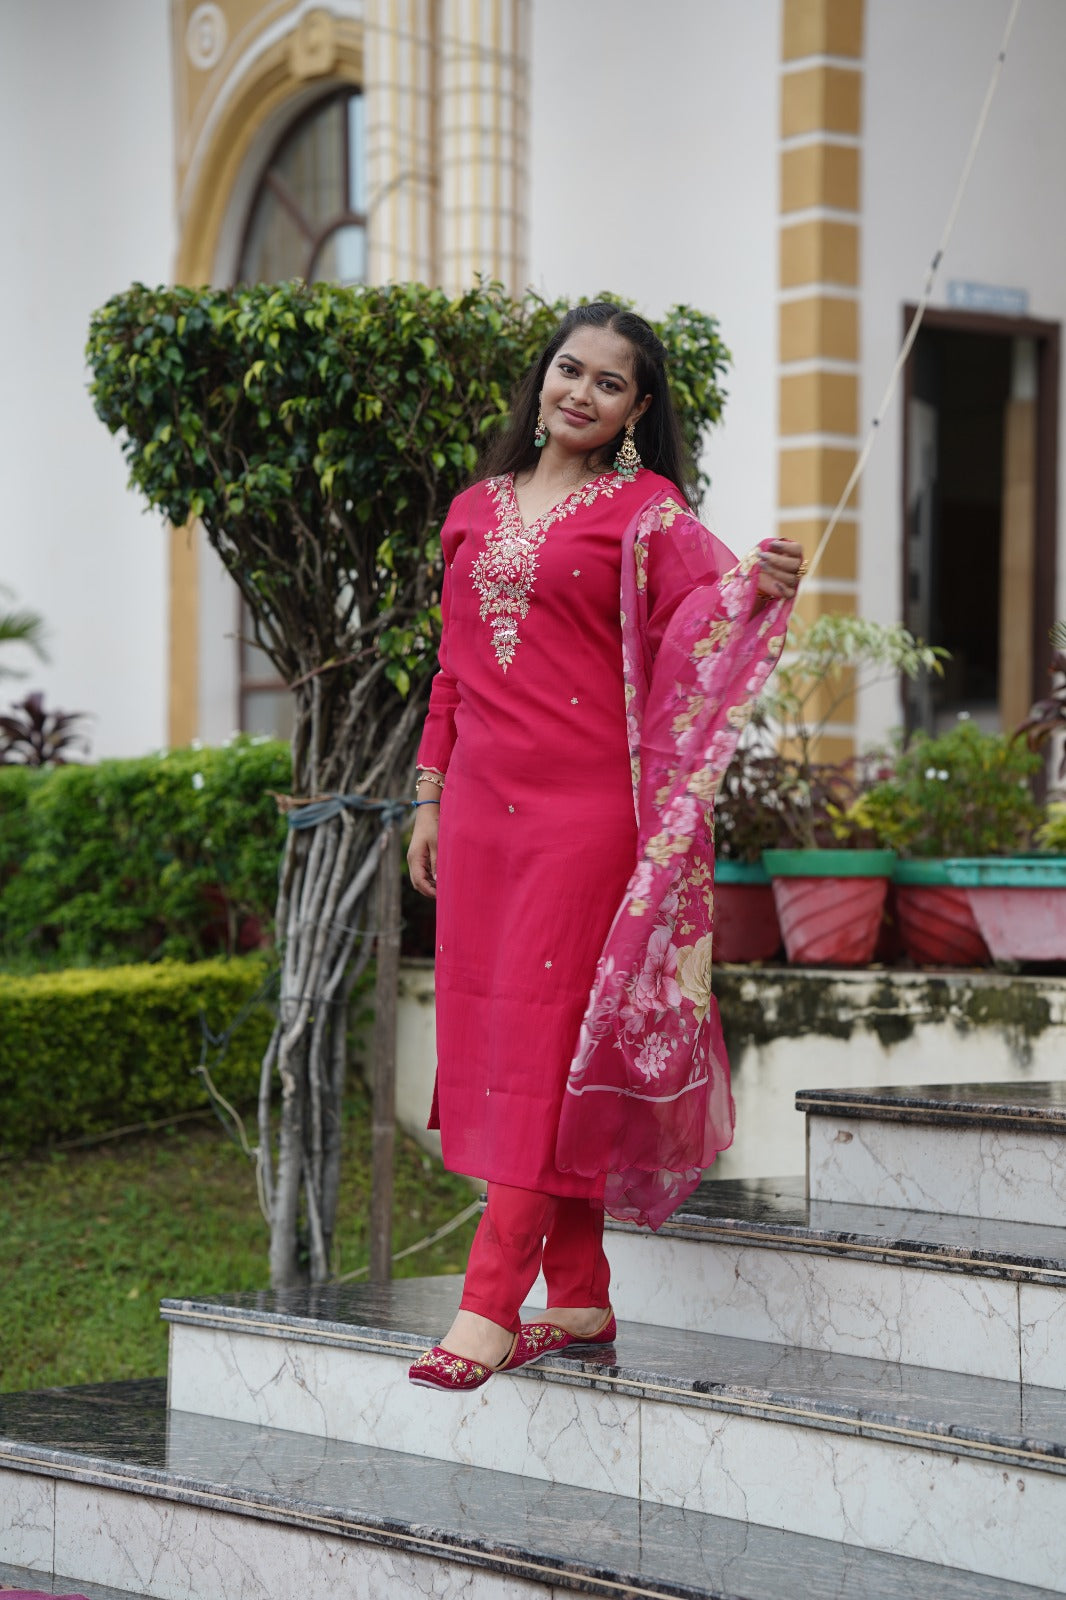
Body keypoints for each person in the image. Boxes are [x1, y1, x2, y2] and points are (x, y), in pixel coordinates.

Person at [406, 303, 802, 1391]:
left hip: (586, 820)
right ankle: (577, 1295)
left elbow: (706, 616)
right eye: (568, 370)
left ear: (637, 410)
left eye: (609, 382)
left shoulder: (648, 512)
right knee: (511, 1042)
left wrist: (755, 586)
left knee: (544, 1045)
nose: (580, 392)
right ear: (542, 379)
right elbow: (451, 669)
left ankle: (489, 1303)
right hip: (479, 815)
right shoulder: (472, 510)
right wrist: (429, 796)